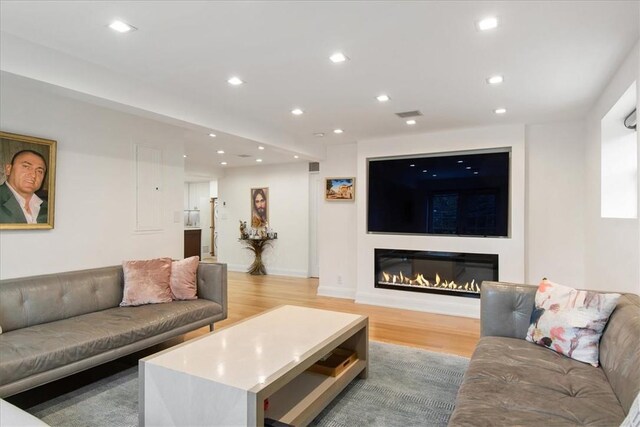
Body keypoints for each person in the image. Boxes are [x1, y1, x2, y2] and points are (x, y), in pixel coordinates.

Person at [0, 149, 48, 224]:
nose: (33, 175)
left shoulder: (50, 208)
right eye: (26, 166)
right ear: (8, 169)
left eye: (39, 171)